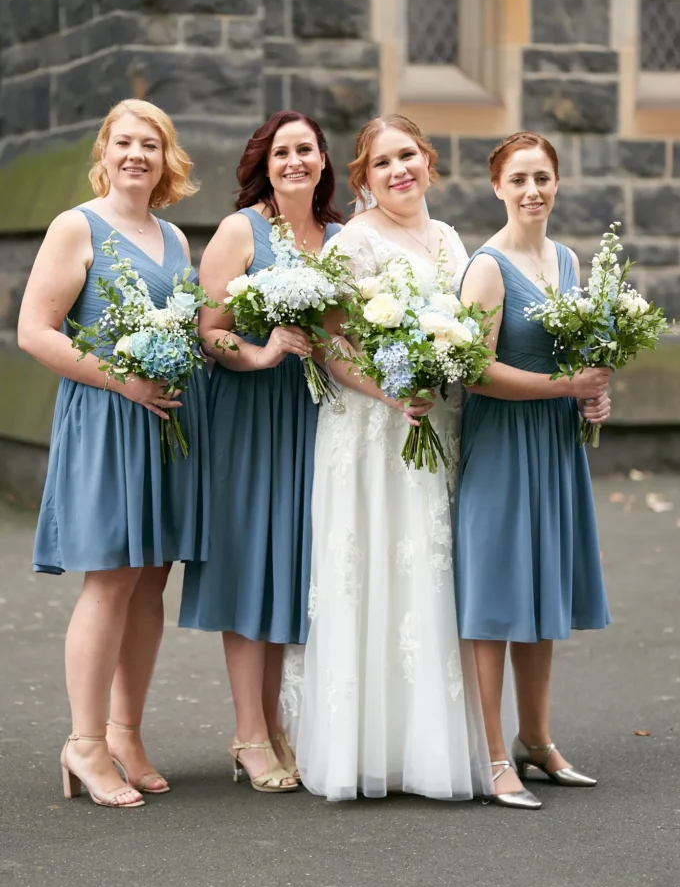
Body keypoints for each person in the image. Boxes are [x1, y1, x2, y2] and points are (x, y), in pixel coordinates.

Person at [281, 114, 494, 801]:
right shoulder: (355, 243)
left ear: (429, 161)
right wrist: (394, 391)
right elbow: (332, 347)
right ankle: (361, 748)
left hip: (439, 423)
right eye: (381, 164)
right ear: (365, 180)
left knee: (430, 575)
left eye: (408, 156)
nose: (398, 170)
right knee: (374, 569)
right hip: (372, 435)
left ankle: (433, 747)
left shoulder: (450, 239)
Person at [17, 98, 209, 808]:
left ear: (166, 159)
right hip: (104, 417)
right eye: (124, 142)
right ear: (104, 152)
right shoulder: (77, 226)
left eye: (150, 144)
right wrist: (121, 378)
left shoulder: (174, 238)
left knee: (151, 575)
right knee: (110, 577)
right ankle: (85, 744)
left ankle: (125, 733)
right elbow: (35, 332)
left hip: (159, 423)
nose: (137, 154)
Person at [179, 111, 343, 793]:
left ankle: (275, 724)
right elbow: (207, 332)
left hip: (318, 420)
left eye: (306, 149)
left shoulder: (340, 237)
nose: (295, 160)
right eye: (283, 151)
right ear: (265, 163)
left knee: (292, 568)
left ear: (324, 159)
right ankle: (250, 732)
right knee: (252, 567)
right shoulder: (241, 229)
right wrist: (264, 349)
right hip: (250, 416)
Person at [455, 131, 611, 809]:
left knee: (541, 594)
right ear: (497, 186)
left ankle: (537, 740)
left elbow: (581, 361)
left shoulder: (569, 260)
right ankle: (491, 756)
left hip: (554, 446)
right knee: (494, 600)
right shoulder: (487, 268)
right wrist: (561, 388)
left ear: (557, 182)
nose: (532, 191)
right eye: (518, 179)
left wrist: (595, 398)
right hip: (501, 447)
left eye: (542, 177)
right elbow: (472, 370)